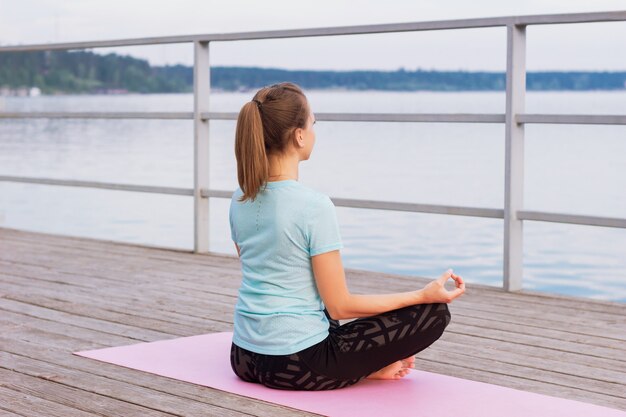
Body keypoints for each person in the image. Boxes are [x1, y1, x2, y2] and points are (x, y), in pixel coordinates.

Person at [228, 82, 466, 391]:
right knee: (434, 314)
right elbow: (340, 305)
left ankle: (357, 367)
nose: (314, 132)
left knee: (317, 304)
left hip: (244, 357)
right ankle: (362, 369)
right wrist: (423, 296)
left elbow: (266, 270)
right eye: (313, 124)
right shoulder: (313, 206)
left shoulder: (239, 198)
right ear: (299, 135)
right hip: (296, 364)